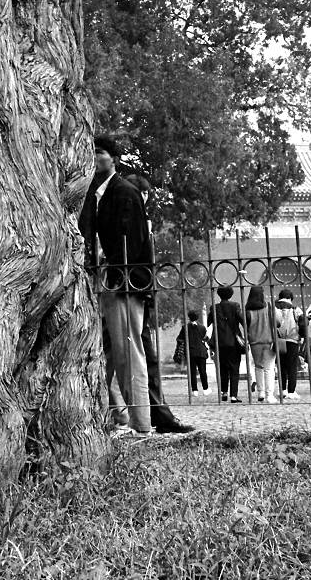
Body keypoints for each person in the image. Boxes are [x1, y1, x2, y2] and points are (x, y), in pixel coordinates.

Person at [80, 137, 154, 437]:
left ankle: (141, 423)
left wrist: (117, 270)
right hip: (107, 283)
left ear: (114, 158)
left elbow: (133, 241)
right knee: (108, 355)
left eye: (100, 153)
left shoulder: (124, 192)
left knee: (128, 352)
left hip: (124, 284)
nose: (95, 158)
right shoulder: (96, 193)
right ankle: (119, 417)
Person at [122, 173, 194, 433]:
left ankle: (155, 414)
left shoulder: (137, 223)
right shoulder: (130, 222)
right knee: (143, 358)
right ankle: (150, 416)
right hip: (129, 294)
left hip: (134, 292)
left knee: (142, 359)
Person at [208, 287, 244, 403]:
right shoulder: (235, 306)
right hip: (233, 342)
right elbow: (243, 320)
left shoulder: (214, 307)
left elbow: (209, 322)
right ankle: (233, 395)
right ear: (231, 294)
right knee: (234, 368)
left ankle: (224, 392)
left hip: (219, 342)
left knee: (222, 368)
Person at [245, 285, 277, 403]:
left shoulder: (247, 310)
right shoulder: (268, 306)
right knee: (269, 368)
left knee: (258, 367)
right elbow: (277, 321)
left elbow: (245, 326)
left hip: (254, 343)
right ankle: (269, 395)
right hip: (269, 341)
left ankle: (261, 392)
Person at [275, 289, 303, 401]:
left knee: (281, 366)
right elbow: (302, 323)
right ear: (290, 298)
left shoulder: (275, 308)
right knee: (292, 367)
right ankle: (291, 391)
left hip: (279, 340)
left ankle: (283, 390)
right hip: (292, 340)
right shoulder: (295, 309)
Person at [178, 309, 209, 397]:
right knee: (203, 371)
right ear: (198, 317)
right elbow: (205, 338)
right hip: (201, 352)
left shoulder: (185, 328)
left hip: (190, 352)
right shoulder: (202, 327)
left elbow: (180, 339)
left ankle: (194, 390)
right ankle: (205, 389)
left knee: (192, 372)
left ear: (189, 317)